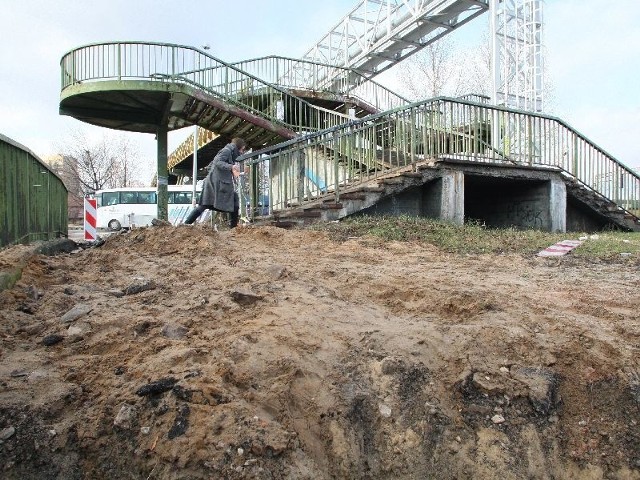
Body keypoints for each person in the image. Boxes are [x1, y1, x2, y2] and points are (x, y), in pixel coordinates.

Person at [184, 137, 247, 228]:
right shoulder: (227, 151)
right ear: (238, 147)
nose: (242, 152)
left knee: (231, 202)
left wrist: (229, 171)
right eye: (242, 149)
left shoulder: (229, 152)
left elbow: (210, 166)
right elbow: (218, 162)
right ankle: (186, 224)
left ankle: (186, 224)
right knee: (231, 203)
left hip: (216, 183)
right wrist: (230, 167)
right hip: (216, 185)